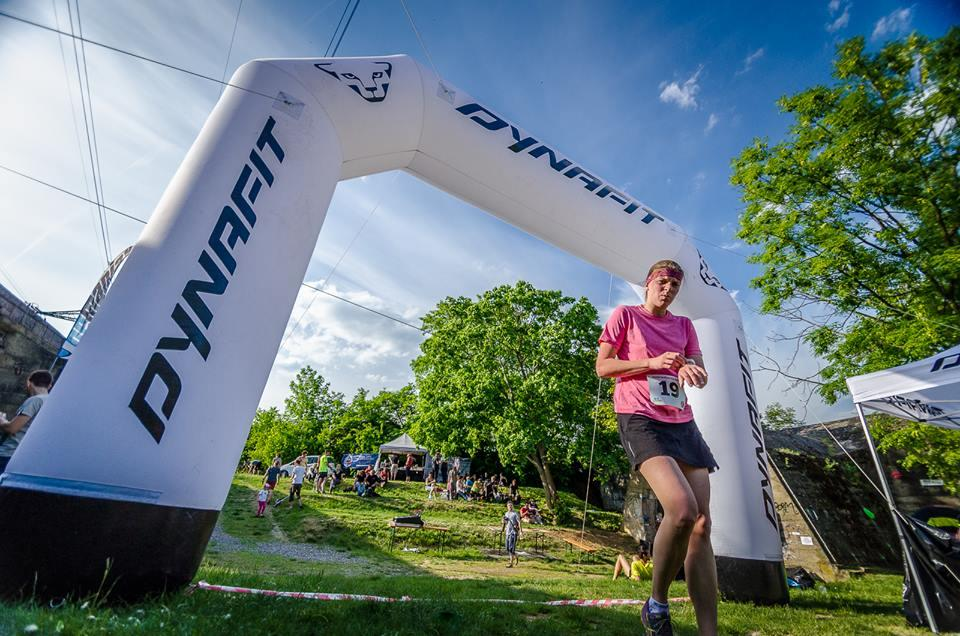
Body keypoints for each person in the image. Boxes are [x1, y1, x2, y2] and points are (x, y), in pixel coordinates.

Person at [596, 259, 716, 636]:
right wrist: (652, 362)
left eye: (675, 286)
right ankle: (657, 605)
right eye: (662, 282)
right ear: (649, 283)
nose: (668, 290)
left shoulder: (684, 326)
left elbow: (699, 368)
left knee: (701, 524)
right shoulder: (625, 316)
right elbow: (603, 367)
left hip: (681, 421)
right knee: (681, 510)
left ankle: (708, 632)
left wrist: (687, 370)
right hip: (640, 417)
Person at [0, 369, 53, 473]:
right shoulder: (52, 401)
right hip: (27, 456)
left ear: (29, 382)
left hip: (9, 452)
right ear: (49, 385)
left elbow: (12, 428)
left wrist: (1, 419)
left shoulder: (36, 400)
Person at [502, 501, 522, 567]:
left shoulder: (515, 513)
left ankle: (511, 563)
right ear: (507, 507)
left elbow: (519, 522)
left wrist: (520, 531)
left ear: (512, 506)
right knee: (507, 548)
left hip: (513, 532)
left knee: (511, 548)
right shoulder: (506, 513)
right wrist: (503, 523)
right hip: (507, 532)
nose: (510, 507)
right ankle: (515, 556)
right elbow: (505, 522)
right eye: (508, 506)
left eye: (511, 505)